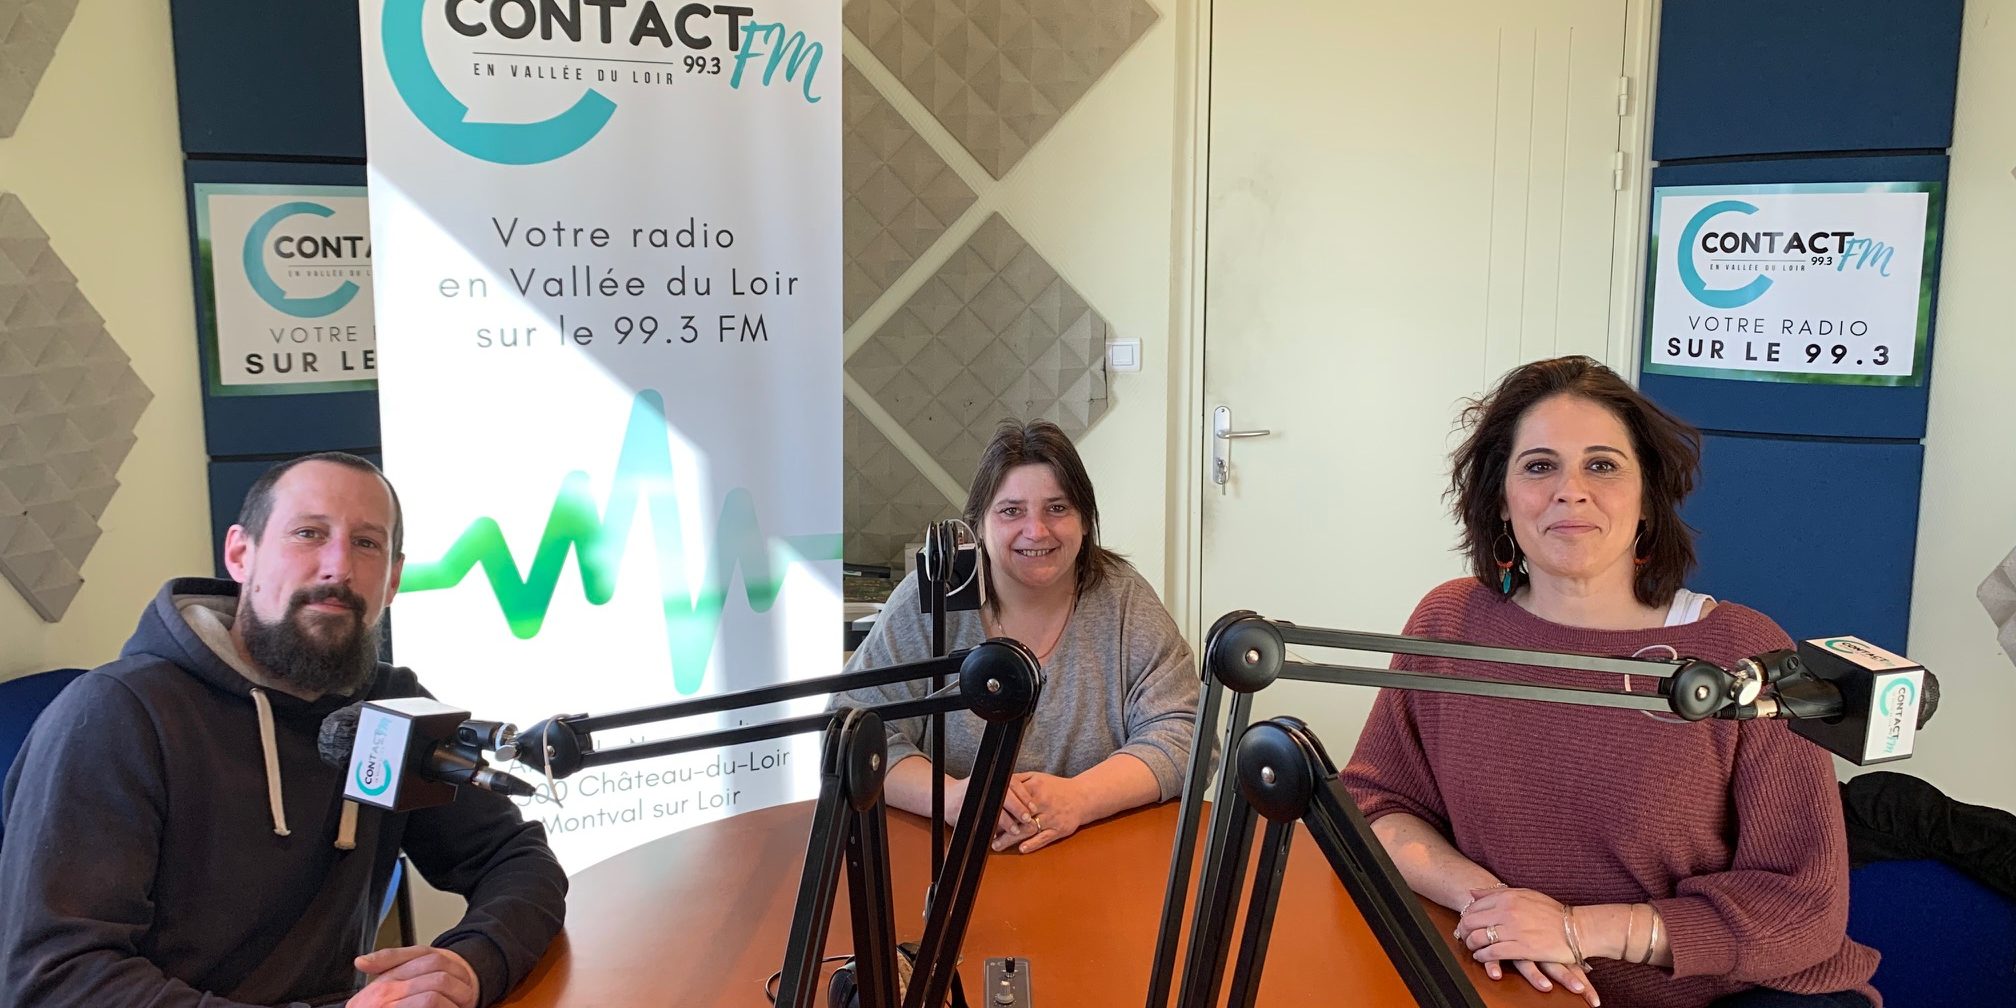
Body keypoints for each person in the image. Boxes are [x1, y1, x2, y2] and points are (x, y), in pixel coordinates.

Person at [1341, 357, 1880, 1008]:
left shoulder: (1742, 655)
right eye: (1539, 466)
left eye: (1602, 465)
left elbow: (1804, 907)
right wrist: (1497, 909)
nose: (1571, 490)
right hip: (1520, 986)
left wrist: (1576, 930)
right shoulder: (1449, 624)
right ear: (1501, 499)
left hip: (1731, 996)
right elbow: (1377, 805)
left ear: (1648, 496)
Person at [0, 453, 567, 1008]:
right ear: (240, 554)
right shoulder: (117, 714)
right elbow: (58, 978)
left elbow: (515, 859)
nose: (338, 568)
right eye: (308, 534)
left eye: (367, 543)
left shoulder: (389, 707)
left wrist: (470, 965)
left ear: (393, 579)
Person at [836, 419, 1200, 854]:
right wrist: (951, 798)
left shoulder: (1124, 599)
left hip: (1096, 851)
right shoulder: (930, 598)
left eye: (1057, 508)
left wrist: (1080, 797)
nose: (1036, 531)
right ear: (978, 524)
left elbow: (1185, 732)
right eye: (1011, 511)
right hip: (949, 854)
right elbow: (849, 730)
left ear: (1085, 521)